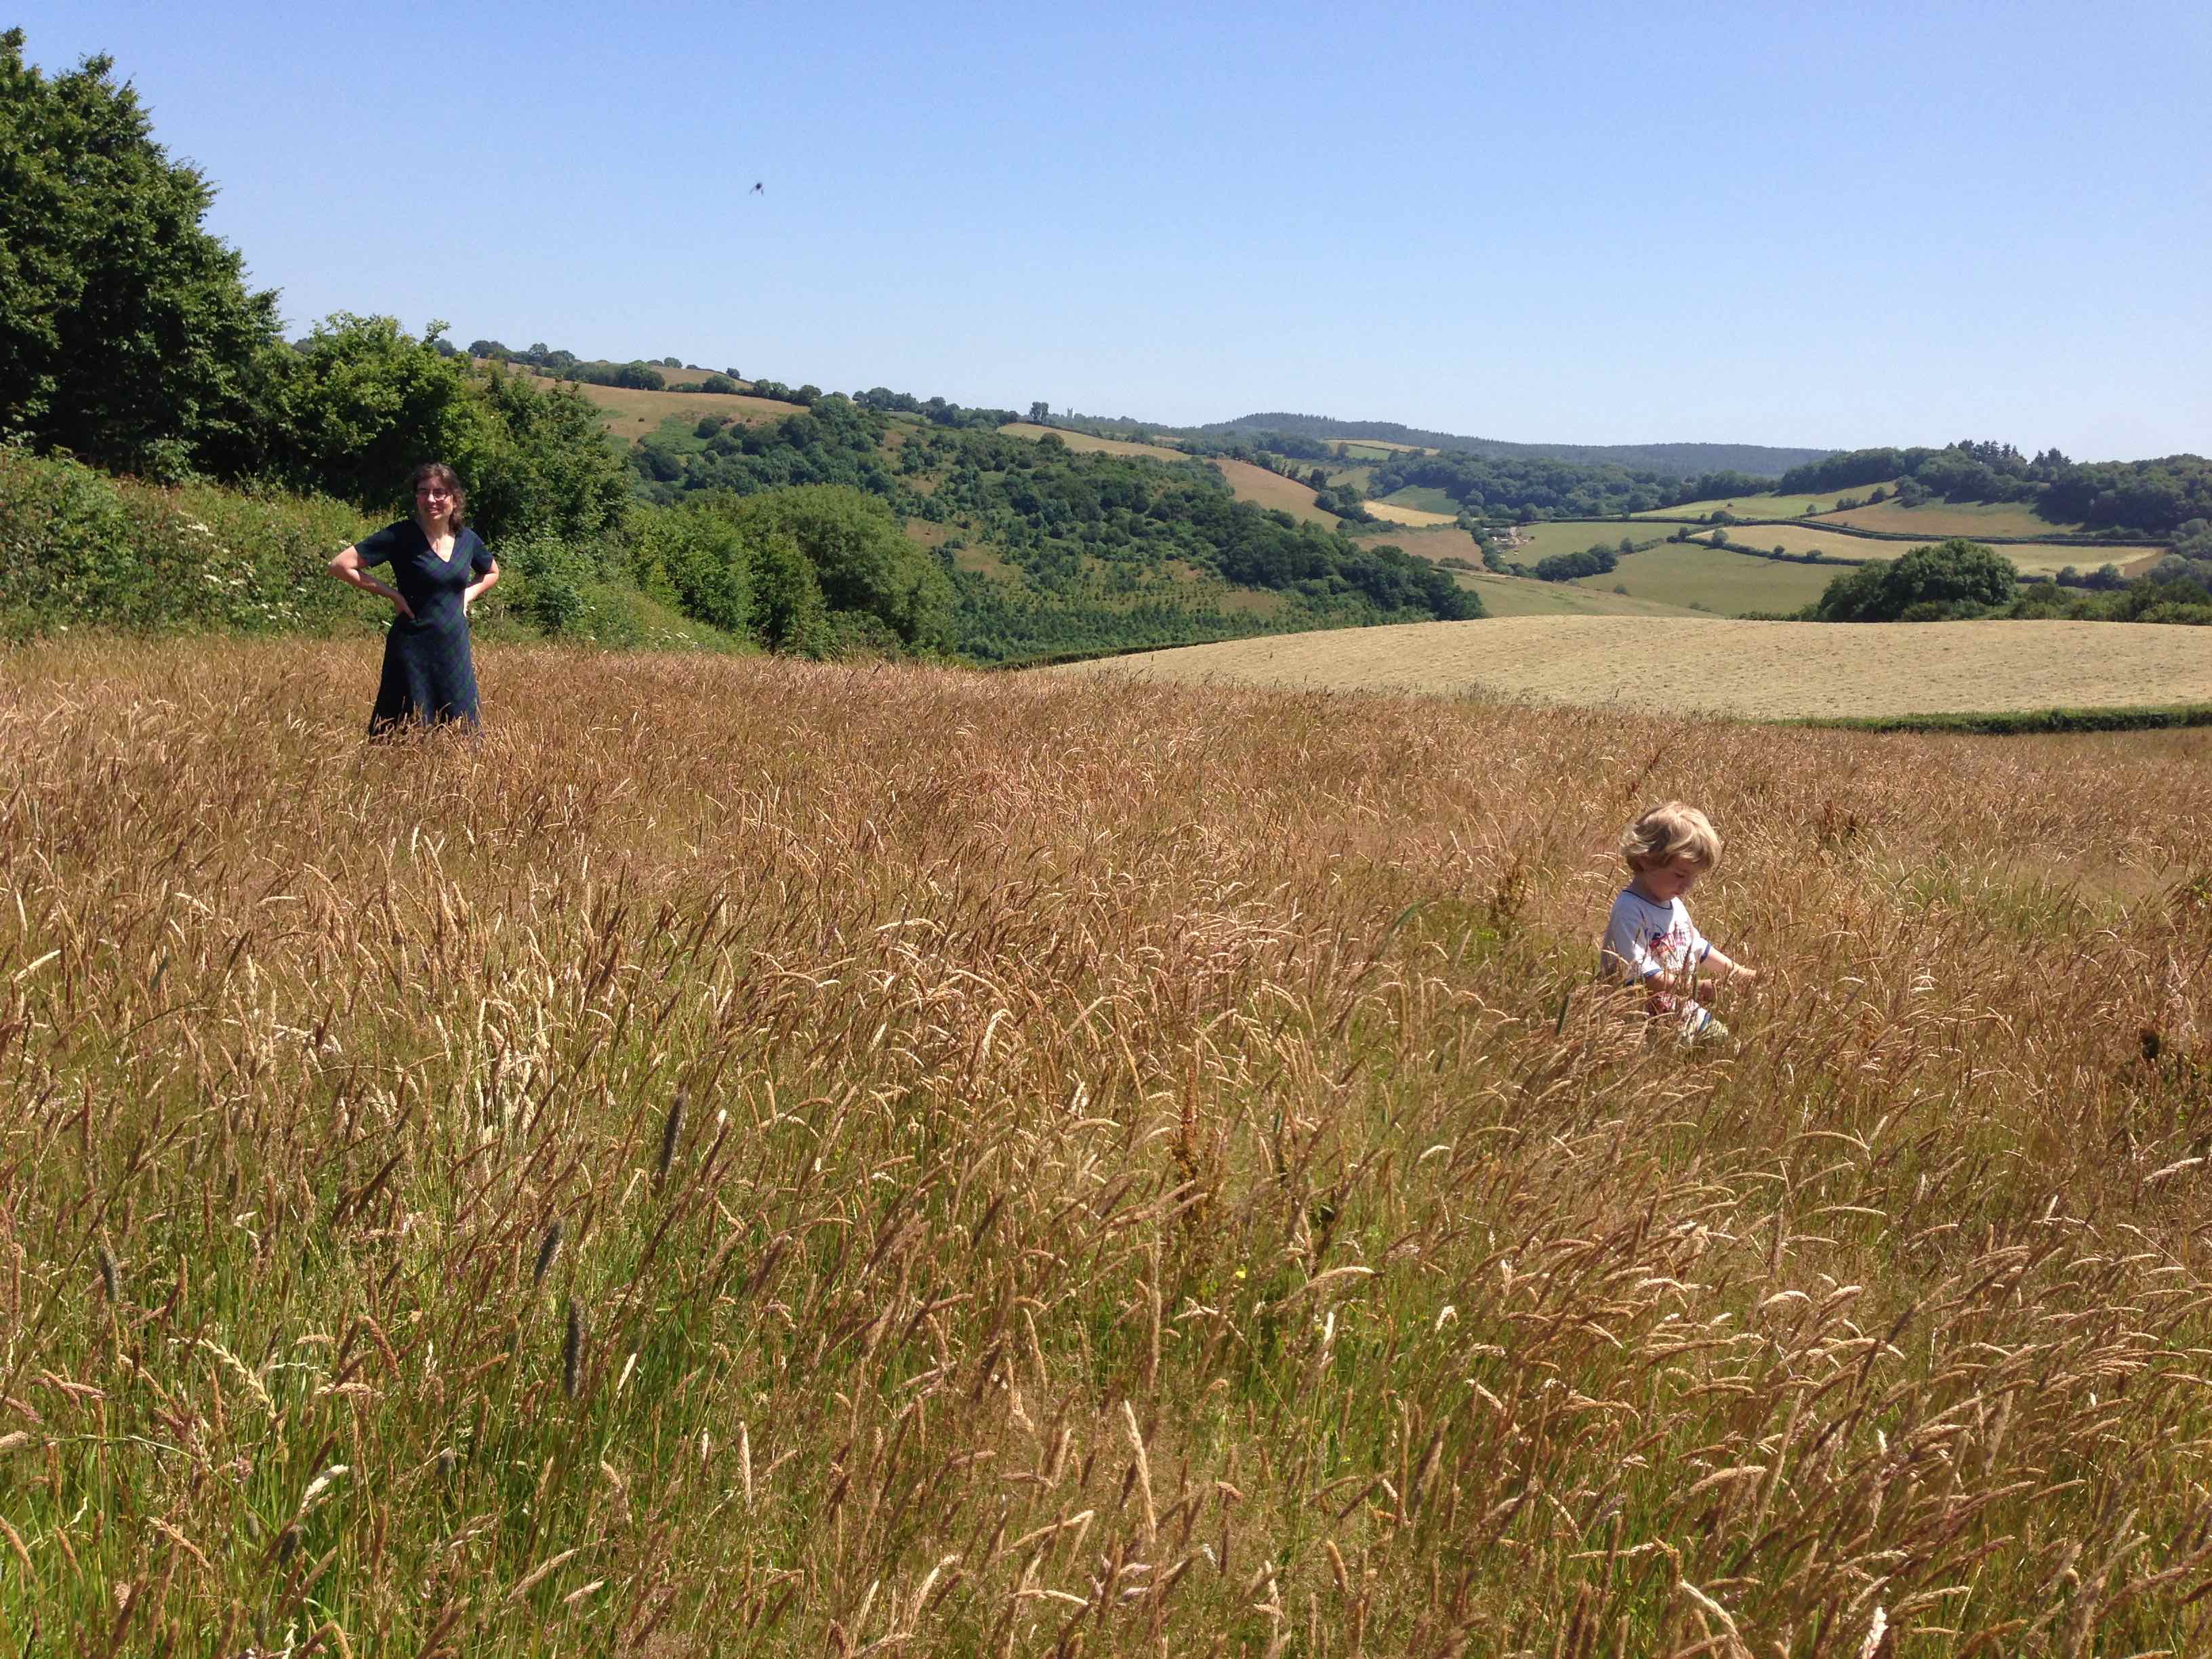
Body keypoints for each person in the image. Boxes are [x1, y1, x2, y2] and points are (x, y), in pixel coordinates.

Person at [327, 464, 499, 733]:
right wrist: (392, 594)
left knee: (461, 727)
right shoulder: (401, 535)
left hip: (454, 646)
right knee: (405, 726)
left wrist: (466, 596)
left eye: (439, 493)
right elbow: (340, 565)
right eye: (423, 492)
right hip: (412, 648)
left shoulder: (468, 540)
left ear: (454, 498)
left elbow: (491, 572)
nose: (431, 499)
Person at [1601, 801, 1758, 1041]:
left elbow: (1696, 947)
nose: (1687, 886)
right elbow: (1643, 976)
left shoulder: (1672, 903)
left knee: (1728, 1047)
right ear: (1645, 859)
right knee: (1719, 1048)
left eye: (1694, 877)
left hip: (1678, 1008)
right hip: (1638, 1017)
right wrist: (1697, 989)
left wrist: (1736, 972)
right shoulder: (1629, 909)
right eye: (1680, 875)